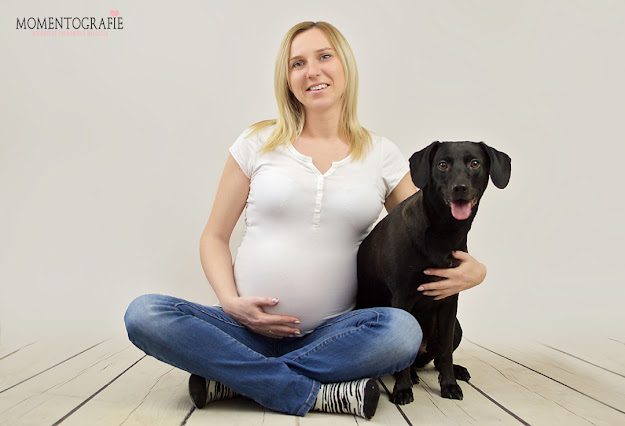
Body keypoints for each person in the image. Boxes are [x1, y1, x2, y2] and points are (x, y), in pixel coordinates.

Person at [124, 21, 486, 420]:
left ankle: (234, 379)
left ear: (345, 67)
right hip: (245, 330)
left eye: (324, 57)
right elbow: (214, 236)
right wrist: (231, 303)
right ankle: (317, 393)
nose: (312, 71)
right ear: (288, 79)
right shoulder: (256, 142)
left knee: (402, 332)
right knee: (144, 313)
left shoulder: (381, 153)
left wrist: (475, 271)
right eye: (298, 63)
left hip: (338, 335)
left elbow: (427, 225)